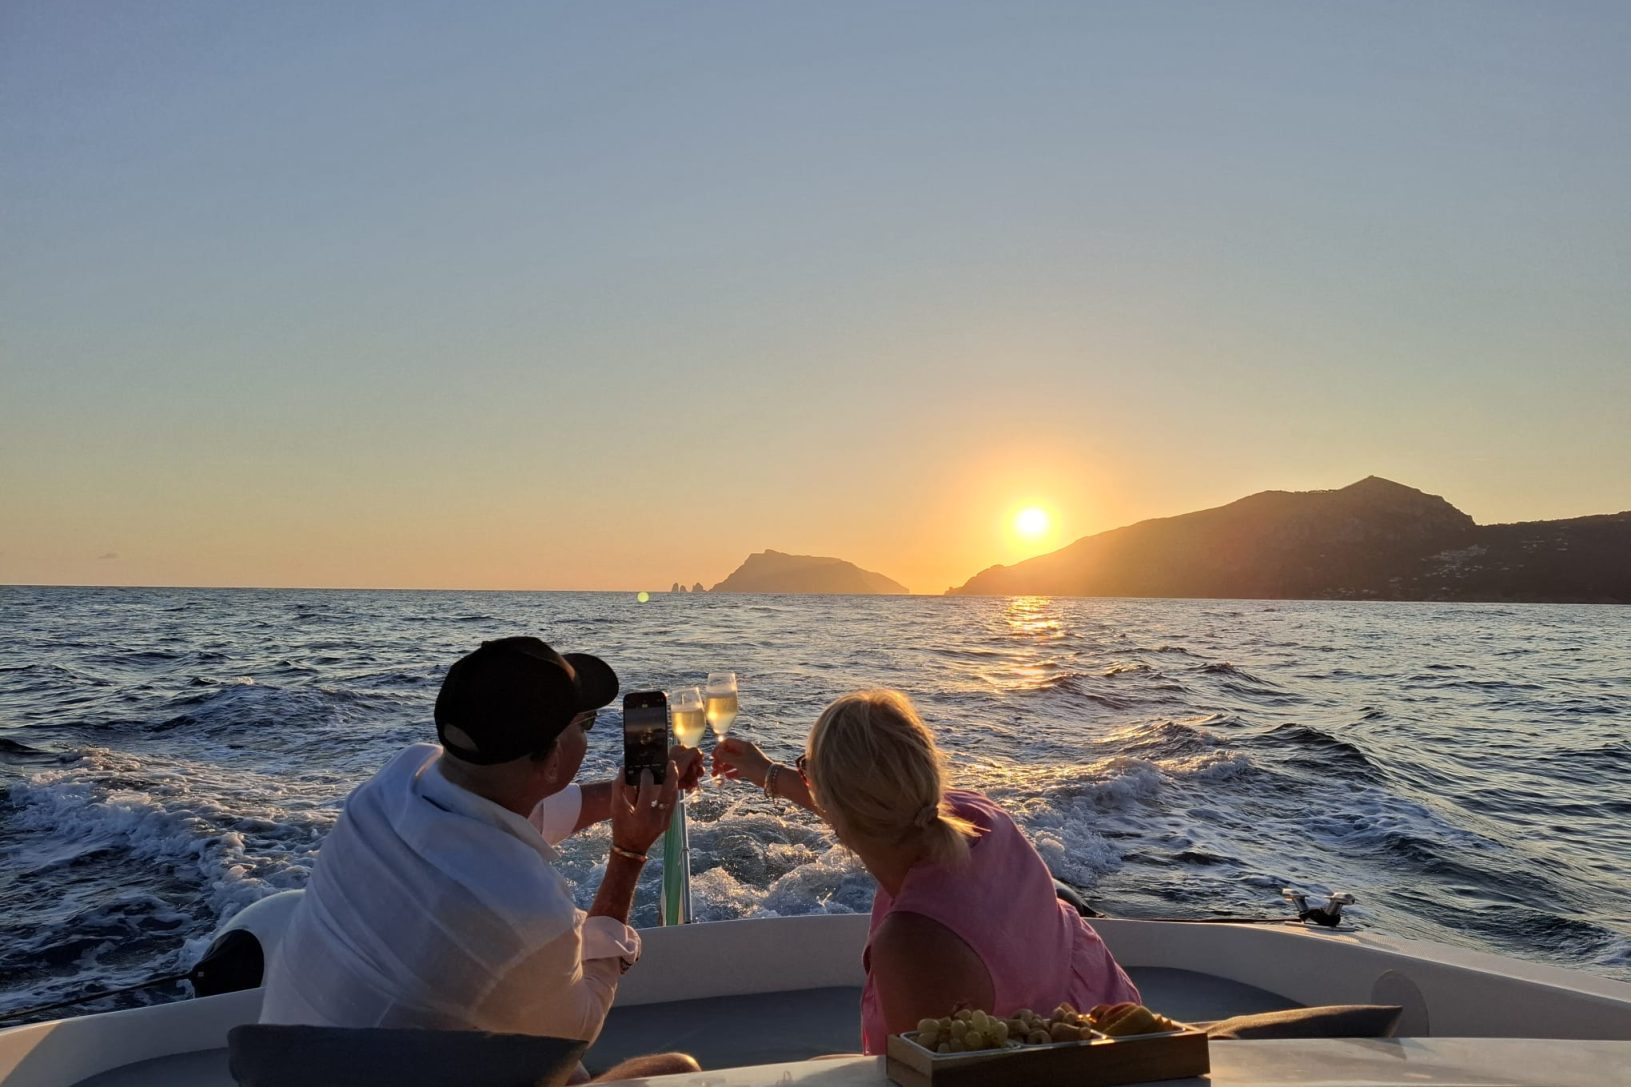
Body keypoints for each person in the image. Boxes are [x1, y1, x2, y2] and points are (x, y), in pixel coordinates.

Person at [260, 636, 702, 1082]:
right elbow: (577, 1030)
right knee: (677, 1071)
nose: (587, 737)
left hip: (292, 1066)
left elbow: (528, 810)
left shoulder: (398, 780)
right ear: (550, 761)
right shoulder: (522, 910)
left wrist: (628, 797)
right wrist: (629, 853)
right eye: (583, 725)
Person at [713, 689, 1139, 1054]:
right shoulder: (973, 815)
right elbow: (870, 809)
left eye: (807, 770)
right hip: (1122, 1027)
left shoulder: (912, 948)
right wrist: (765, 771)